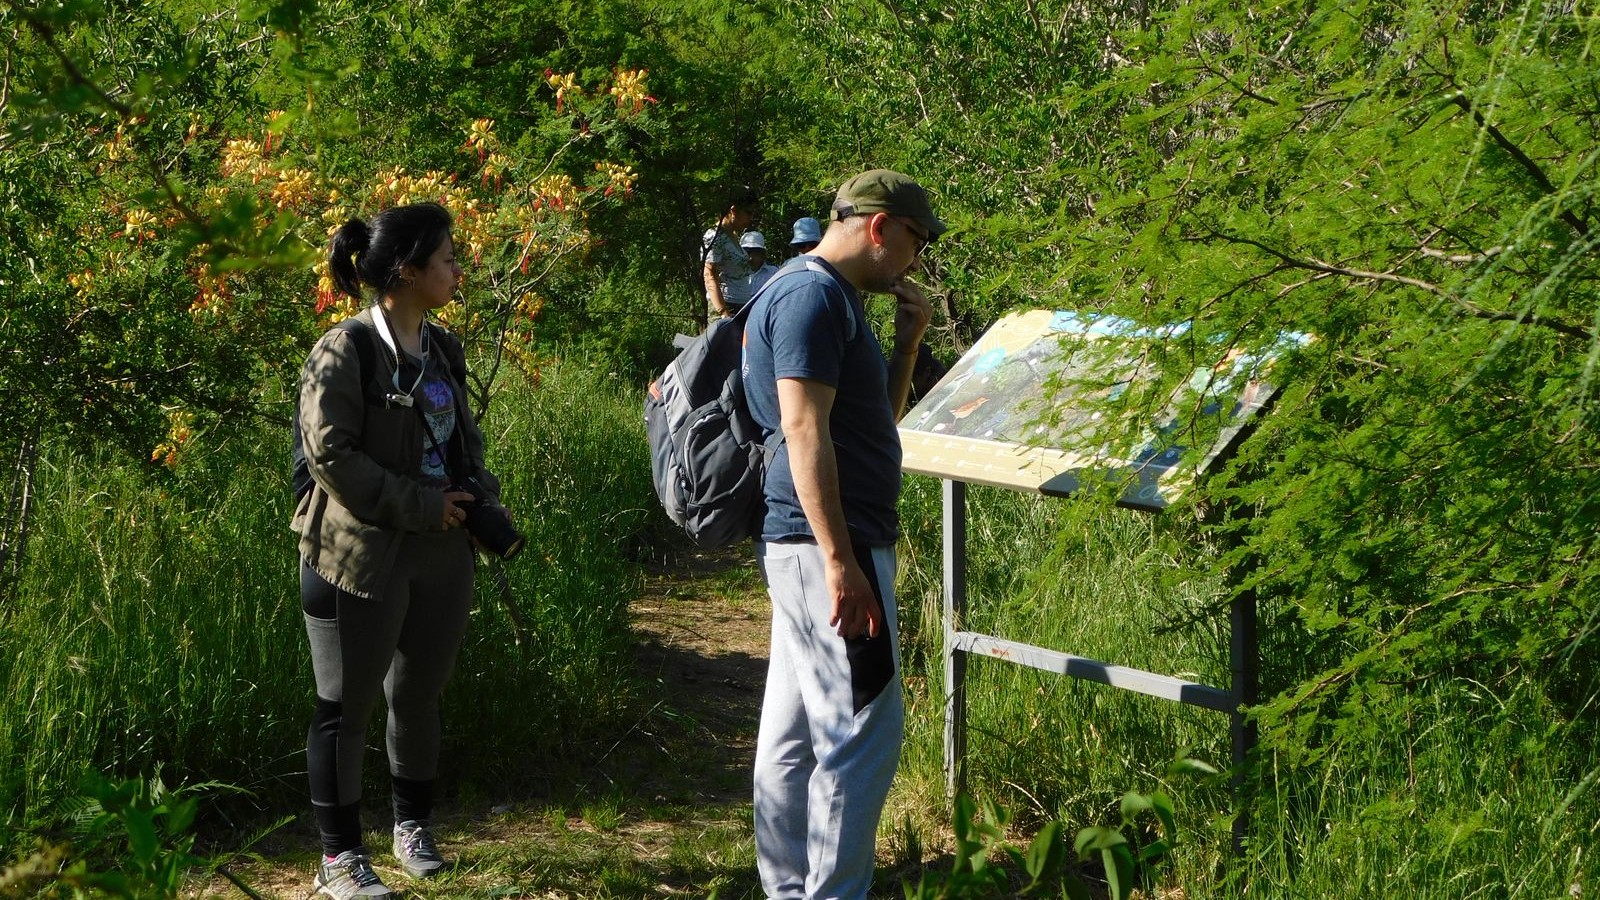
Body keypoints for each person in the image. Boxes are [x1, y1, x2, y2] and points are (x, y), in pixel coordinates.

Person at [294, 201, 511, 900]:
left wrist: (481, 500)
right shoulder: (344, 350)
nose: (457, 268)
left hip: (442, 556)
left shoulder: (443, 346)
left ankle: (411, 828)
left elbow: (461, 439)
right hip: (357, 558)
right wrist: (420, 505)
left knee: (418, 694)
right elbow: (331, 454)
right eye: (446, 257)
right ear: (408, 270)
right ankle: (339, 861)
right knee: (345, 708)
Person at [740, 169, 946, 900]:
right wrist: (839, 559)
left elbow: (868, 427)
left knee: (794, 735)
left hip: (821, 544)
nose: (917, 262)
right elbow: (802, 428)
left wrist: (908, 346)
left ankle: (791, 889)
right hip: (827, 544)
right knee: (863, 735)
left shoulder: (832, 299)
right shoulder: (810, 295)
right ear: (882, 227)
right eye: (918, 242)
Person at [702, 191, 759, 321]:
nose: (750, 218)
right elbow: (709, 274)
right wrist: (723, 313)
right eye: (748, 213)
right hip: (726, 307)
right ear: (733, 210)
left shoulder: (731, 235)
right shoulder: (715, 237)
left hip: (740, 305)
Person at [743, 230, 780, 295]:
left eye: (755, 253)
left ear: (762, 254)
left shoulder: (773, 273)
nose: (750, 258)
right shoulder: (732, 273)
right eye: (747, 252)